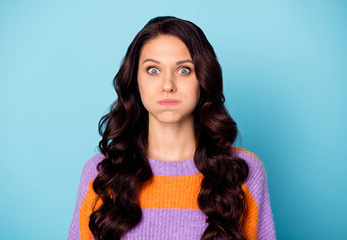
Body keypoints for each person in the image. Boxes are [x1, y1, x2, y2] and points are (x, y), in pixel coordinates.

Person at [68, 16, 275, 240]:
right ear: (135, 81)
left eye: (184, 70)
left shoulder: (244, 172)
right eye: (153, 70)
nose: (168, 85)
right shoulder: (100, 174)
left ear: (203, 79)